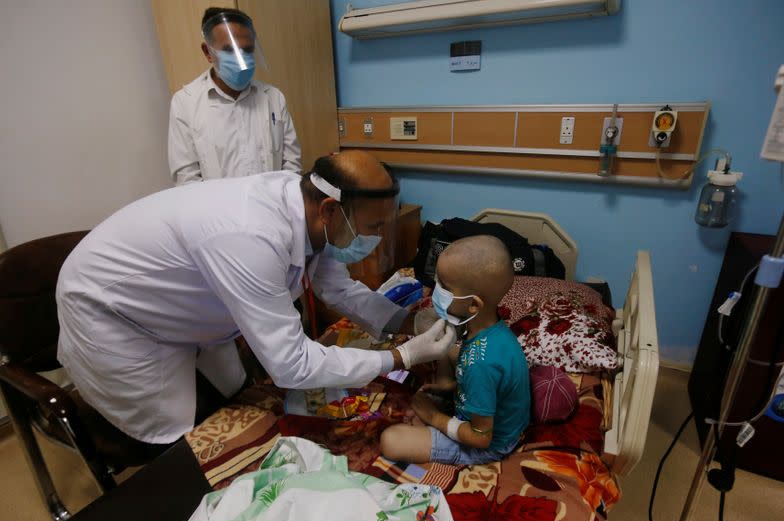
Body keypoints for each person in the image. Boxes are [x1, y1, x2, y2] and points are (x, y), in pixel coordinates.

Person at [55, 150, 455, 450]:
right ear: (330, 210)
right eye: (373, 226)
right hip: (114, 310)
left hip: (187, 302)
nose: (379, 238)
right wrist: (400, 358)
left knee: (234, 392)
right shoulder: (250, 235)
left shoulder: (307, 207)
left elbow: (338, 287)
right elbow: (292, 366)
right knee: (171, 435)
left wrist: (407, 324)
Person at [380, 235, 531, 465]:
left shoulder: (479, 364)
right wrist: (452, 385)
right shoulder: (487, 329)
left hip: (488, 443)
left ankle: (442, 405)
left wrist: (433, 417)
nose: (434, 291)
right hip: (488, 403)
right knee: (446, 346)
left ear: (473, 304)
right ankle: (446, 383)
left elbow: (480, 438)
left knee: (391, 440)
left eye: (445, 287)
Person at [168, 7, 302, 185]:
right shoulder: (185, 103)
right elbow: (187, 180)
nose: (241, 58)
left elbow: (292, 167)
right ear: (208, 52)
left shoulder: (273, 97)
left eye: (247, 50)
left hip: (272, 207)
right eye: (230, 50)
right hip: (217, 211)